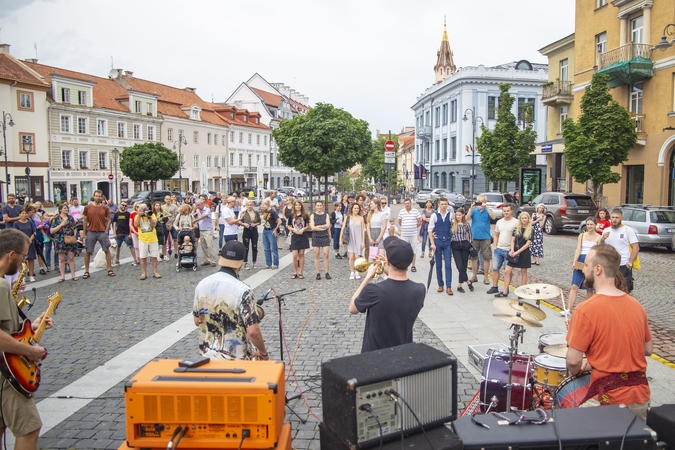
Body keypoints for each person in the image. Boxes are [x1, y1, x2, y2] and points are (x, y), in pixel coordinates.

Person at [566, 244, 652, 422]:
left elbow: (573, 361)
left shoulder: (585, 309)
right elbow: (647, 349)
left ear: (598, 269)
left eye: (587, 265)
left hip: (608, 400)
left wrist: (576, 371)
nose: (584, 270)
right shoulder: (637, 306)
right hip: (640, 396)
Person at [0, 228, 54, 449]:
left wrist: (32, 326)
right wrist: (30, 351)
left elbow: (9, 328)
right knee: (29, 428)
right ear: (11, 254)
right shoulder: (1, 285)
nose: (24, 261)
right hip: (6, 372)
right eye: (23, 255)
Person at [193, 240, 269, 360]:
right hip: (236, 360)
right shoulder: (244, 291)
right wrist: (263, 352)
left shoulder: (202, 284)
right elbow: (253, 331)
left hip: (207, 356)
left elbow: (197, 321)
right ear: (240, 263)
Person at [349, 236, 425, 353]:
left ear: (388, 261)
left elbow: (353, 309)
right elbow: (398, 285)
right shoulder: (419, 290)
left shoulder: (373, 290)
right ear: (410, 261)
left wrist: (367, 277)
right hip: (402, 353)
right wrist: (389, 269)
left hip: (374, 356)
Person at [567, 216, 602, 314]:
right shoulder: (582, 235)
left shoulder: (599, 237)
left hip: (591, 261)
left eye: (591, 224)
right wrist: (575, 261)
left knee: (589, 288)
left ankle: (588, 310)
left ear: (595, 225)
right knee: (574, 285)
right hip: (581, 259)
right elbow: (578, 249)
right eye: (588, 224)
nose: (589, 226)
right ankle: (569, 309)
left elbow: (598, 252)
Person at [600, 208, 639, 293]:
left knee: (624, 289)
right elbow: (601, 247)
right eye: (613, 217)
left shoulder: (628, 230)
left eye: (617, 218)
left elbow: (636, 247)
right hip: (609, 265)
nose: (614, 220)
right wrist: (602, 239)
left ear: (622, 218)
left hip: (623, 264)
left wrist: (630, 262)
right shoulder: (606, 230)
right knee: (609, 289)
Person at [496, 212, 532, 297]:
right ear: (520, 219)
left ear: (528, 219)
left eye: (525, 218)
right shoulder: (517, 229)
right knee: (507, 271)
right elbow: (512, 240)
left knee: (523, 272)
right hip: (514, 251)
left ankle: (522, 291)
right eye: (522, 218)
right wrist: (512, 250)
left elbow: (527, 244)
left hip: (524, 253)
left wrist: (517, 252)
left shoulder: (530, 230)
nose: (524, 220)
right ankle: (505, 291)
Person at [81, 190, 114, 279]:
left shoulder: (105, 208)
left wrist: (106, 230)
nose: (98, 197)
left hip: (102, 232)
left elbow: (108, 219)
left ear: (102, 197)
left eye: (99, 196)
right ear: (93, 196)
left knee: (106, 250)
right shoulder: (88, 207)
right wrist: (84, 233)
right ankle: (87, 271)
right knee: (88, 251)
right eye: (96, 196)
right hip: (91, 231)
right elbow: (85, 220)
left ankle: (109, 269)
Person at [487, 204, 518, 295]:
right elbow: (496, 234)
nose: (506, 212)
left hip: (509, 250)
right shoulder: (499, 222)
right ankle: (495, 286)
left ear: (511, 211)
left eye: (508, 210)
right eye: (504, 211)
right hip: (499, 249)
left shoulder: (516, 222)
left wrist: (513, 249)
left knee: (507, 271)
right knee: (495, 268)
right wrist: (495, 246)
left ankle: (506, 288)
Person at [429, 197, 455, 295]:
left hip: (448, 242)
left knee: (448, 264)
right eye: (442, 204)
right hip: (438, 242)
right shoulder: (434, 216)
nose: (444, 206)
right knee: (438, 265)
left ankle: (449, 286)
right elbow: (430, 230)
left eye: (445, 204)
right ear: (439, 205)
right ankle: (440, 284)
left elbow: (453, 226)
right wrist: (432, 243)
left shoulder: (450, 215)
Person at [468, 195, 495, 286]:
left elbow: (494, 217)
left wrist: (486, 207)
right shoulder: (474, 210)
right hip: (474, 237)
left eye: (482, 201)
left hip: (485, 237)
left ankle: (486, 276)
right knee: (473, 257)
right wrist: (470, 209)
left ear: (485, 202)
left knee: (487, 257)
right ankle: (474, 275)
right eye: (478, 201)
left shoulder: (487, 210)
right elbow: (466, 219)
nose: (480, 203)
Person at [50, 203, 79, 282]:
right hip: (60, 239)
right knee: (61, 258)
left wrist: (74, 236)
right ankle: (62, 276)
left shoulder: (70, 218)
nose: (66, 210)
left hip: (69, 238)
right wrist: (61, 225)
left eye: (67, 208)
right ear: (60, 210)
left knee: (71, 258)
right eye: (64, 208)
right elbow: (52, 231)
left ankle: (73, 275)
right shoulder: (55, 219)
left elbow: (74, 227)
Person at [134, 203, 161, 280]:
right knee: (143, 257)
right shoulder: (137, 216)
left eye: (145, 209)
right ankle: (143, 273)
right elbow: (136, 225)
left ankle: (155, 272)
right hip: (143, 239)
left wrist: (149, 217)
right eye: (142, 210)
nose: (143, 211)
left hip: (153, 239)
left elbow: (154, 224)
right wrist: (139, 215)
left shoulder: (152, 215)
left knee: (154, 256)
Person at [450, 208, 473, 293]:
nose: (458, 216)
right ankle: (468, 282)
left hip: (464, 245)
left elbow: (470, 235)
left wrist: (469, 243)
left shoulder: (466, 224)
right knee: (459, 266)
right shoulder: (452, 223)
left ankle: (459, 285)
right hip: (455, 245)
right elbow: (450, 234)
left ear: (463, 215)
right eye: (457, 215)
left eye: (459, 215)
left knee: (464, 266)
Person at [11, 207, 38, 282]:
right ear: (19, 214)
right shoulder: (16, 223)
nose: (24, 215)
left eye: (25, 213)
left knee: (31, 259)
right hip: (21, 244)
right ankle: (23, 276)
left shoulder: (29, 222)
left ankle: (31, 275)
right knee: (22, 260)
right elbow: (16, 234)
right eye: (22, 213)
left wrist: (29, 240)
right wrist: (23, 241)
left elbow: (34, 232)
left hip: (30, 243)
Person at [341, 203, 366, 280]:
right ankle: (352, 271)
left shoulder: (361, 218)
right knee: (351, 257)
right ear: (352, 209)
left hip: (358, 238)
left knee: (357, 257)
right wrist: (340, 239)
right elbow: (343, 228)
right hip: (350, 239)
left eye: (357, 208)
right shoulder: (348, 217)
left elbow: (362, 231)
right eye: (355, 208)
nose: (356, 210)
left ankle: (357, 271)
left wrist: (363, 241)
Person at [397, 199, 422, 272]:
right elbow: (399, 222)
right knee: (403, 250)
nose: (407, 204)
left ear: (411, 203)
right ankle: (404, 265)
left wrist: (413, 227)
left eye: (408, 203)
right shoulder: (401, 212)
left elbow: (419, 222)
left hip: (413, 234)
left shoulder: (415, 211)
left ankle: (413, 265)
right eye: (405, 203)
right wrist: (406, 227)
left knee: (414, 250)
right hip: (404, 234)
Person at [310, 200, 332, 280]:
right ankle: (318, 272)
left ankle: (326, 272)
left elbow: (328, 225)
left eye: (320, 205)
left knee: (326, 254)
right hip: (316, 236)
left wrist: (318, 227)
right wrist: (323, 227)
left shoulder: (326, 215)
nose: (319, 207)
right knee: (316, 254)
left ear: (322, 206)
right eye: (317, 205)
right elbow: (312, 227)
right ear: (315, 206)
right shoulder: (313, 215)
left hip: (325, 236)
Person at [289, 200, 310, 279]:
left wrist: (303, 229)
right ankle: (295, 271)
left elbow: (308, 225)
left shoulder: (304, 215)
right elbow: (289, 225)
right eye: (296, 205)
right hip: (294, 235)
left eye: (299, 205)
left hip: (302, 235)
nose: (298, 207)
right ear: (294, 206)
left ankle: (300, 272)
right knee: (294, 255)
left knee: (301, 254)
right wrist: (294, 230)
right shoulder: (291, 215)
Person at [194, 199, 217, 267]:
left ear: (202, 204)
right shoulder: (198, 210)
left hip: (208, 230)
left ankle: (213, 260)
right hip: (201, 230)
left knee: (209, 246)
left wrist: (196, 219)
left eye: (198, 205)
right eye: (196, 205)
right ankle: (207, 260)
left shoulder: (207, 209)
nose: (197, 206)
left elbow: (204, 216)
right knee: (203, 246)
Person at [112, 201, 136, 266]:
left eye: (125, 206)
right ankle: (117, 259)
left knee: (131, 246)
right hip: (118, 233)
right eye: (123, 205)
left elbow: (130, 224)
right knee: (117, 247)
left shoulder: (128, 214)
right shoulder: (117, 214)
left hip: (126, 233)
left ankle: (135, 259)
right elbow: (114, 223)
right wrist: (114, 232)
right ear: (120, 205)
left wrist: (130, 233)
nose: (124, 207)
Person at [239, 200, 261, 270]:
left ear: (253, 206)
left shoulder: (256, 213)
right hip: (246, 230)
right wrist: (243, 224)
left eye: (251, 205)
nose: (249, 206)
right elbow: (239, 221)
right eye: (248, 205)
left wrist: (255, 224)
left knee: (254, 246)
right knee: (246, 247)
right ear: (246, 206)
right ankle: (245, 262)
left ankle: (254, 261)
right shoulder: (243, 213)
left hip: (254, 230)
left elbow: (259, 221)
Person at [260, 199, 280, 269]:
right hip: (265, 230)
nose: (263, 206)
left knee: (273, 248)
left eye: (264, 205)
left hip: (271, 230)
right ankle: (268, 263)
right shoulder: (265, 211)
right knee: (266, 248)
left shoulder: (273, 212)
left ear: (267, 205)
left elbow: (279, 221)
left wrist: (275, 230)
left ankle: (275, 263)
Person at [162, 195, 179, 259]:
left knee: (175, 238)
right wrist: (165, 224)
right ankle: (164, 254)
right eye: (167, 199)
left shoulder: (174, 207)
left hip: (173, 224)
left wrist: (172, 224)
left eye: (169, 199)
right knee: (164, 240)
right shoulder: (162, 207)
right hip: (165, 225)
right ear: (164, 200)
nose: (168, 200)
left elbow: (177, 216)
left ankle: (175, 252)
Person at [128, 202, 141, 267]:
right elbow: (130, 224)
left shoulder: (142, 214)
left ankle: (142, 258)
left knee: (141, 246)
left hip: (141, 232)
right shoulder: (132, 213)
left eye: (139, 206)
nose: (138, 208)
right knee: (136, 246)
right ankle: (137, 258)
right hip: (134, 232)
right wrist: (134, 232)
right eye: (137, 206)